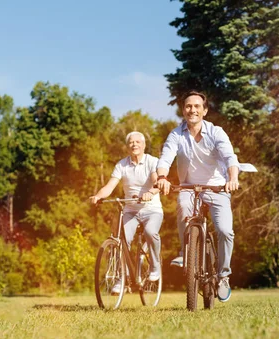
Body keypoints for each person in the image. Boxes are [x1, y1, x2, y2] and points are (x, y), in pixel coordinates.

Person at [156, 91, 239, 303]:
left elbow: (230, 156)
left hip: (216, 188)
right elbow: (166, 157)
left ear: (204, 110)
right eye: (188, 106)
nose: (192, 110)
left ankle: (223, 276)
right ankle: (187, 254)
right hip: (189, 187)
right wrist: (163, 177)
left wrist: (232, 178)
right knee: (183, 208)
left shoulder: (216, 132)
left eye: (196, 106)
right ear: (183, 110)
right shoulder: (176, 134)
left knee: (225, 231)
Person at [90, 131, 163, 294]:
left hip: (152, 210)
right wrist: (98, 196)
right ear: (127, 146)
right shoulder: (121, 165)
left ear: (144, 145)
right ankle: (121, 278)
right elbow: (110, 186)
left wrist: (150, 193)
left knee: (151, 232)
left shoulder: (152, 161)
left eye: (138, 142)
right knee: (121, 240)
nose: (134, 144)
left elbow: (155, 180)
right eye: (131, 142)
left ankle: (155, 265)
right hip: (130, 210)